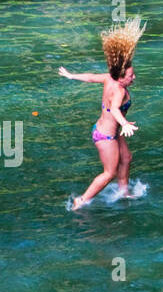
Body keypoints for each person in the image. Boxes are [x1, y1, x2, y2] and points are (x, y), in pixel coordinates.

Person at [60, 17, 145, 209]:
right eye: (131, 76)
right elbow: (115, 108)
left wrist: (71, 75)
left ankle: (123, 193)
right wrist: (124, 123)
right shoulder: (120, 90)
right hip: (105, 135)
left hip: (111, 131)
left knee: (126, 158)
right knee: (109, 173)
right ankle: (80, 201)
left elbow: (90, 77)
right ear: (121, 78)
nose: (134, 77)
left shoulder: (109, 78)